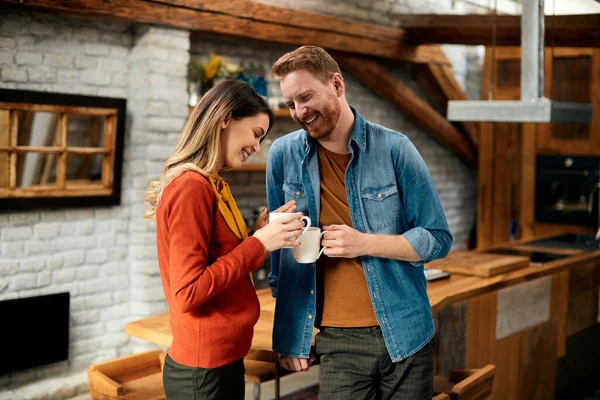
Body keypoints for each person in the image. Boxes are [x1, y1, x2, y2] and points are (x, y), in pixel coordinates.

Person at [266, 46, 453, 400]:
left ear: (336, 84)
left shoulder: (395, 149)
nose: (299, 112)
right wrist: (289, 335)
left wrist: (363, 243)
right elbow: (281, 260)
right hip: (337, 341)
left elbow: (438, 238)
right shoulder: (282, 155)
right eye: (290, 104)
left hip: (406, 330)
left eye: (305, 97)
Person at [145, 80, 306, 400]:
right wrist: (258, 243)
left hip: (221, 362)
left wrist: (255, 234)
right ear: (225, 118)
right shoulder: (191, 187)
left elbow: (216, 261)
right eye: (256, 134)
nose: (258, 147)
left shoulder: (213, 183)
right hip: (202, 372)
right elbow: (187, 292)